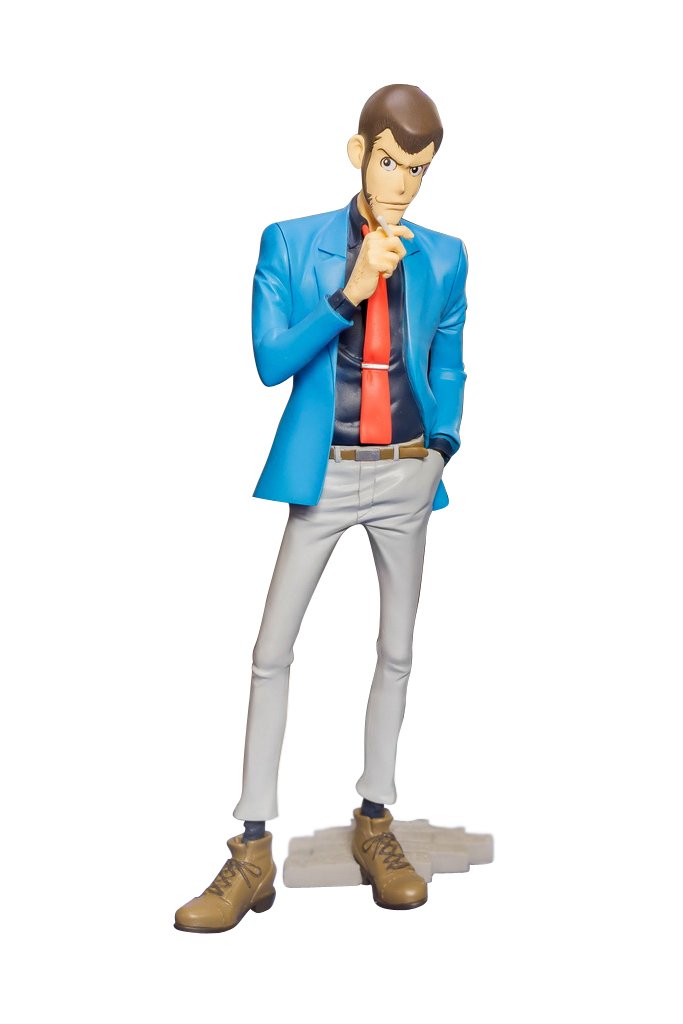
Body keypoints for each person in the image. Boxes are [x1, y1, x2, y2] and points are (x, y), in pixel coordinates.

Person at [175, 84, 468, 932]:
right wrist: (349, 290)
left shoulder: (446, 255)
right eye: (389, 163)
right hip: (325, 471)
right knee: (271, 651)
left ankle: (374, 819)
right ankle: (252, 847)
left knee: (397, 651)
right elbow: (271, 361)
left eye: (418, 169)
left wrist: (441, 446)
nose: (402, 184)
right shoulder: (291, 242)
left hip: (406, 473)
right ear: (358, 154)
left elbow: (449, 359)